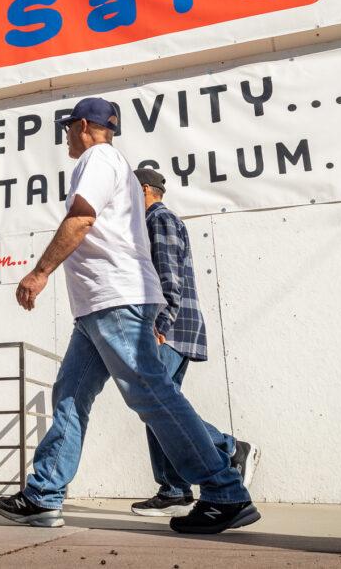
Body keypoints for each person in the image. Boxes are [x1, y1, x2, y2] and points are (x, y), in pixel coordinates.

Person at [0, 97, 259, 535]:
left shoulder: (98, 157)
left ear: (81, 125)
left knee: (150, 394)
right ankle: (42, 496)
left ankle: (224, 490)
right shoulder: (120, 167)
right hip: (96, 307)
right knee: (70, 396)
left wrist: (40, 272)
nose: (65, 138)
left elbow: (81, 218)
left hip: (114, 300)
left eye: (66, 129)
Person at [130, 167, 261, 516]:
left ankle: (229, 448)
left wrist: (160, 322)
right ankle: (174, 488)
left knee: (158, 404)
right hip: (172, 327)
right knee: (157, 407)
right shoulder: (154, 221)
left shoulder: (159, 220)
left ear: (143, 189)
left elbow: (167, 277)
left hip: (170, 328)